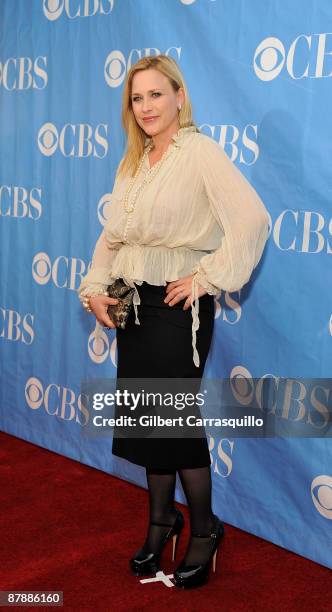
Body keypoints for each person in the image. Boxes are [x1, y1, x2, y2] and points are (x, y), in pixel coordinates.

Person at [77, 55, 269, 589]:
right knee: (147, 420)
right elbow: (112, 237)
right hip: (133, 306)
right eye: (137, 99)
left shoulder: (199, 152)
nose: (146, 108)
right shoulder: (135, 163)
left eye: (156, 95)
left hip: (178, 309)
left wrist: (206, 277)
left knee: (175, 421)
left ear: (179, 97)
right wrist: (95, 289)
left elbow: (252, 219)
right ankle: (163, 521)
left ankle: (205, 530)